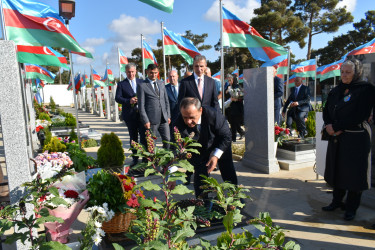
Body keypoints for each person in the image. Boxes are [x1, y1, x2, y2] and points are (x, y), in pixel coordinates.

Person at [321, 58, 375, 221]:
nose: (344, 75)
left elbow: (361, 114)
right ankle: (336, 201)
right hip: (336, 137)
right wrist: (329, 124)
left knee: (354, 174)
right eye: (342, 72)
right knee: (337, 170)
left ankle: (351, 208)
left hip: (355, 137)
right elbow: (327, 109)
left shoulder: (366, 89)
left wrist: (337, 127)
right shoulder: (336, 90)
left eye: (348, 72)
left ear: (356, 73)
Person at [175, 97, 238, 197]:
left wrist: (216, 155)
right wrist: (171, 174)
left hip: (219, 145)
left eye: (192, 117)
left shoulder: (214, 115)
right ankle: (202, 204)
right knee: (200, 179)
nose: (188, 121)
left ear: (200, 110)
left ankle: (235, 196)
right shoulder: (178, 121)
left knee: (228, 173)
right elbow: (174, 145)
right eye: (185, 117)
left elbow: (227, 136)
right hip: (199, 151)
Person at [115, 63, 144, 166]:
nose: (131, 74)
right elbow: (117, 98)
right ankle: (135, 158)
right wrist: (129, 100)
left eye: (132, 71)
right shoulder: (121, 84)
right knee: (133, 137)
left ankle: (145, 159)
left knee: (144, 136)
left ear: (135, 71)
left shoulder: (142, 82)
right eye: (128, 72)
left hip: (142, 115)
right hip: (130, 115)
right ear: (126, 72)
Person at [137, 64, 171, 149]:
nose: (154, 75)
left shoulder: (161, 83)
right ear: (147, 72)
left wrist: (168, 115)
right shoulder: (142, 85)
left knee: (168, 140)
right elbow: (141, 105)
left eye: (155, 73)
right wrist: (145, 120)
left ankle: (166, 160)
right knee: (152, 143)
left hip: (164, 118)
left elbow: (166, 101)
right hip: (151, 120)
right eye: (151, 73)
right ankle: (154, 161)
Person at [224, 74, 244, 142]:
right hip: (230, 108)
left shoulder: (238, 87)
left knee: (234, 124)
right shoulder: (229, 87)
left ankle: (233, 139)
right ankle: (241, 133)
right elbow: (226, 96)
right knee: (234, 124)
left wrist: (236, 99)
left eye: (230, 80)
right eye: (228, 80)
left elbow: (241, 97)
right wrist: (227, 92)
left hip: (237, 109)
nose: (229, 82)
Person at [165, 70, 180, 139]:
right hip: (171, 117)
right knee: (172, 137)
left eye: (173, 76)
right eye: (170, 76)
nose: (172, 78)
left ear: (177, 76)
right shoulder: (165, 88)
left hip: (182, 115)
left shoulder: (183, 86)